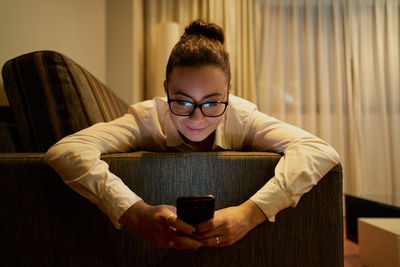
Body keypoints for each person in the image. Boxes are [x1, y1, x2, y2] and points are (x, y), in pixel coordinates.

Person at [45, 19, 340, 250]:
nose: (197, 118)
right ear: (165, 91)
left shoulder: (242, 116)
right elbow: (66, 151)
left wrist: (250, 214)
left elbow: (320, 151)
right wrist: (135, 212)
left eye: (212, 102)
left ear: (229, 92)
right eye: (183, 101)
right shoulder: (146, 118)